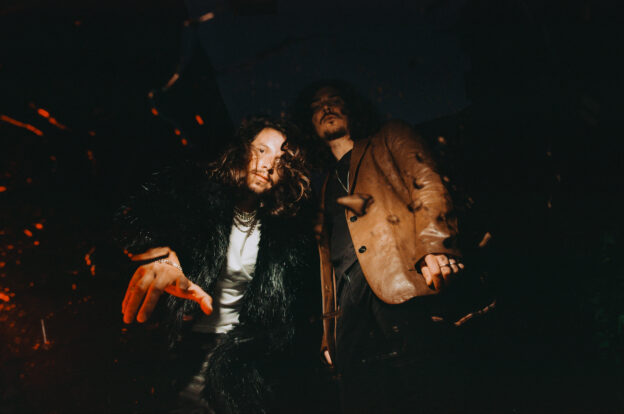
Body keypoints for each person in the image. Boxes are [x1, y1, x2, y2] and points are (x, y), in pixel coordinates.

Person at [291, 80, 493, 413]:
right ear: (309, 123)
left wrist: (436, 245)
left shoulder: (388, 136)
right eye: (317, 105)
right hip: (349, 317)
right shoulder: (323, 188)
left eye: (334, 100)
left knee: (430, 392)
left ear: (351, 108)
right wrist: (329, 332)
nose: (326, 107)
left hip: (402, 287)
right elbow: (327, 265)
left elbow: (427, 184)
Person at [117, 116, 319, 414]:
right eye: (261, 150)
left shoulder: (287, 236)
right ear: (242, 150)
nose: (268, 165)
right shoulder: (192, 197)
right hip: (176, 351)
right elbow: (131, 229)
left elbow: (292, 319)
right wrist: (157, 254)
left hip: (241, 361)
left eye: (281, 161)